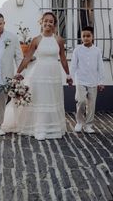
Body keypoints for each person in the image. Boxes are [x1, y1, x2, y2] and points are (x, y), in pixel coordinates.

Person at [14, 11, 72, 140]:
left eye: (51, 21)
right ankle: (40, 129)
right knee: (41, 99)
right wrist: (18, 72)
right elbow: (27, 57)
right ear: (41, 22)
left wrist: (68, 75)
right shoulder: (36, 40)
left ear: (54, 24)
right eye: (45, 21)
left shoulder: (59, 40)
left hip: (54, 74)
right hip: (39, 74)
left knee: (52, 99)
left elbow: (63, 59)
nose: (48, 23)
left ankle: (52, 128)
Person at [70, 26, 105, 134]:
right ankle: (79, 122)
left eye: (88, 36)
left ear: (92, 37)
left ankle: (89, 125)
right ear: (81, 37)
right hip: (80, 80)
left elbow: (100, 67)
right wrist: (70, 77)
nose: (86, 38)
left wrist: (101, 82)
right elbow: (73, 65)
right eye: (83, 36)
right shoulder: (78, 50)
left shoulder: (97, 51)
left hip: (93, 81)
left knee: (91, 104)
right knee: (80, 101)